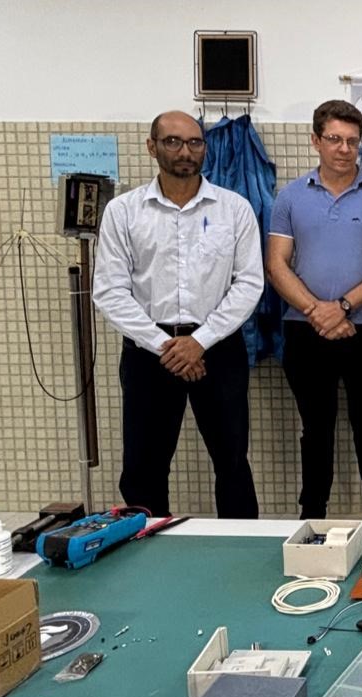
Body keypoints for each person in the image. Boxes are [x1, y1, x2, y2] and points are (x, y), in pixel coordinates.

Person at [93, 110, 263, 518]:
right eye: (173, 141)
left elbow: (248, 283)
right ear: (152, 147)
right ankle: (145, 546)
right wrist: (166, 346)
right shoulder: (123, 211)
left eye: (194, 142)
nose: (185, 151)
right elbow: (110, 290)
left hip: (217, 349)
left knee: (232, 462)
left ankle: (241, 547)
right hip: (149, 352)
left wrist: (199, 341)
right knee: (143, 467)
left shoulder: (233, 209)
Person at [265, 100, 362, 520]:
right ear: (316, 141)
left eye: (352, 141)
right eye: (335, 139)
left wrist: (343, 307)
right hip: (305, 329)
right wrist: (317, 311)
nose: (344, 149)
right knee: (315, 429)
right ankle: (312, 517)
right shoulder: (290, 197)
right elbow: (276, 264)